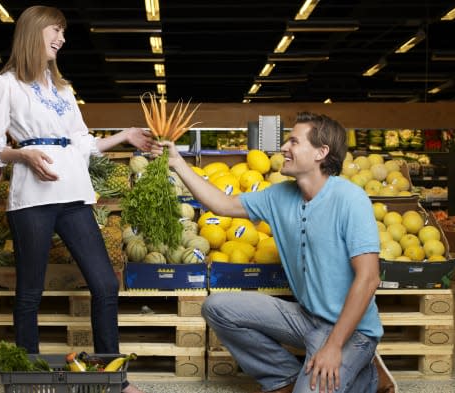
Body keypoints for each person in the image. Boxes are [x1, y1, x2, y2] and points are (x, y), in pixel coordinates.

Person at [0, 6, 151, 393]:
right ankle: (28, 379)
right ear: (34, 33)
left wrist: (123, 136)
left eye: (63, 32)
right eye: (56, 30)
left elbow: (82, 142)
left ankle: (111, 378)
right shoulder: (5, 86)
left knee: (105, 284)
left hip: (74, 196)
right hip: (32, 200)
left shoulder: (64, 90)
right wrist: (21, 154)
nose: (62, 38)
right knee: (30, 293)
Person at [157, 112, 387, 393]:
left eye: (294, 141)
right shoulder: (279, 195)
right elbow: (224, 206)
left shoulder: (350, 199)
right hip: (306, 318)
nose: (283, 148)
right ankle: (285, 378)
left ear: (321, 152)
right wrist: (177, 163)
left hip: (352, 333)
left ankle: (369, 377)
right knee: (217, 308)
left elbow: (369, 278)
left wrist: (334, 347)